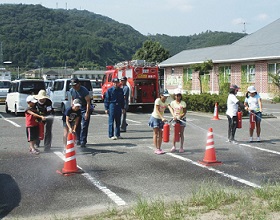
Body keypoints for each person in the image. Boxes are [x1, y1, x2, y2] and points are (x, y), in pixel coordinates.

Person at [70, 77, 92, 148]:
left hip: (84, 107)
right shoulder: (72, 90)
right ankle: (78, 139)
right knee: (77, 124)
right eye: (72, 85)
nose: (74, 87)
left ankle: (83, 141)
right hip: (77, 108)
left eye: (75, 85)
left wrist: (87, 113)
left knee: (84, 125)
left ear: (79, 84)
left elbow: (88, 102)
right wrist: (72, 108)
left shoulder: (84, 90)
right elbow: (72, 99)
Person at [148, 89, 170, 155]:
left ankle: (159, 147)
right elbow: (157, 110)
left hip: (161, 119)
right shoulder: (158, 100)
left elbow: (170, 108)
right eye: (164, 96)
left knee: (161, 134)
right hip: (155, 118)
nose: (166, 97)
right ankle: (156, 148)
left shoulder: (166, 101)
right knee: (155, 133)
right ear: (161, 95)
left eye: (167, 96)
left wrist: (174, 115)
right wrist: (162, 117)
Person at [169, 88, 187, 153]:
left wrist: (180, 116)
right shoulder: (173, 103)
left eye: (179, 95)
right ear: (174, 96)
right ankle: (173, 146)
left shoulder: (183, 103)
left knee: (181, 133)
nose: (177, 97)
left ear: (180, 96)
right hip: (175, 119)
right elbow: (170, 108)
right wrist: (174, 116)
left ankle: (181, 147)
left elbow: (184, 112)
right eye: (176, 95)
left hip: (182, 119)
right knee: (175, 133)